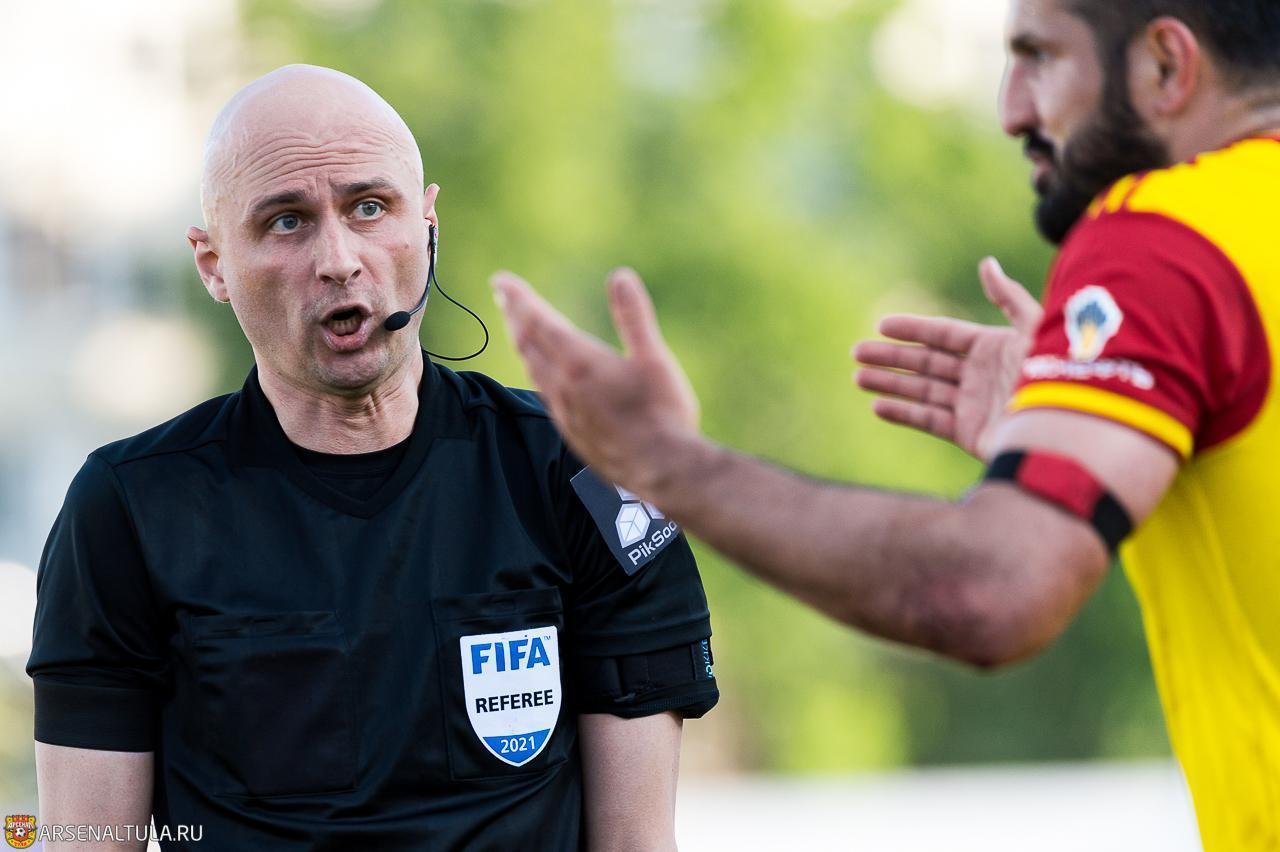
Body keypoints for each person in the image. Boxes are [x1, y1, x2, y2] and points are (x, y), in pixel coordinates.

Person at [490, 1, 1280, 848]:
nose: (1012, 108)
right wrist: (1084, 433)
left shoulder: (1169, 233)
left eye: (1042, 57)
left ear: (1166, 65)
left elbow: (990, 589)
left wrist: (668, 463)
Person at [28, 65, 718, 852]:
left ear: (427, 225)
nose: (339, 259)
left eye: (368, 207)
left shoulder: (586, 473)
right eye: (286, 221)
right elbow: (85, 840)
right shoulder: (129, 508)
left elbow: (636, 840)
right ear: (213, 264)